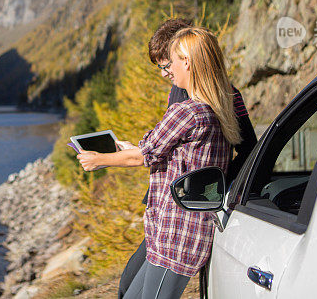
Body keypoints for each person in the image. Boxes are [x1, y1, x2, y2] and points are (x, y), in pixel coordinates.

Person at [78, 27, 252, 299]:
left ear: (187, 62)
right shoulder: (217, 108)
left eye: (170, 62)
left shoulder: (188, 111)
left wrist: (98, 159)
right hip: (184, 232)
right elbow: (179, 155)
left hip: (175, 236)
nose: (167, 71)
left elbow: (143, 156)